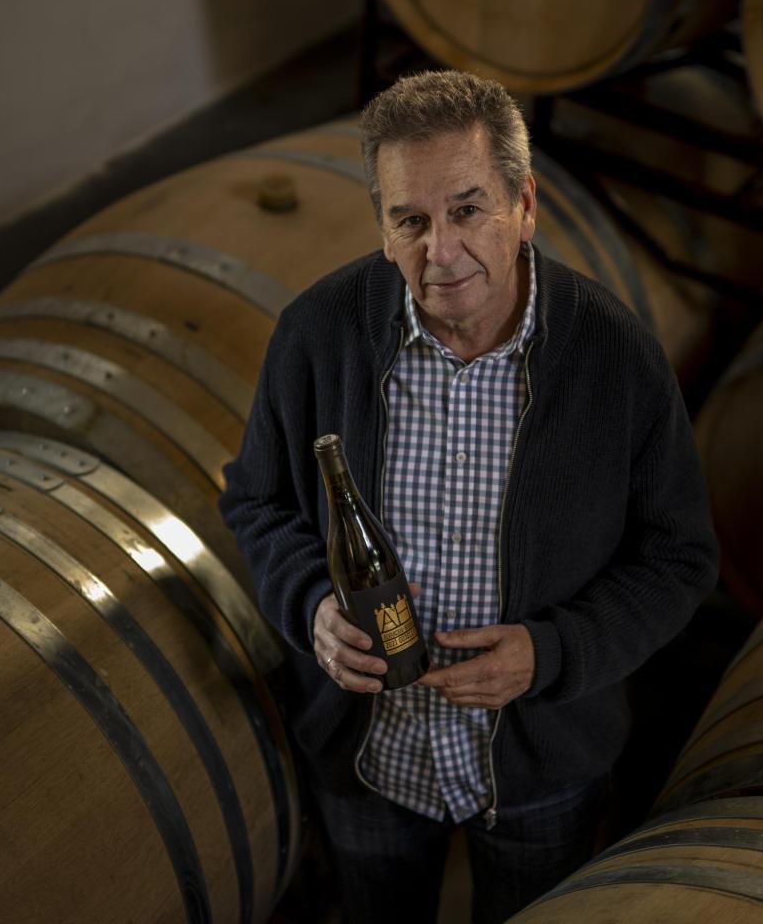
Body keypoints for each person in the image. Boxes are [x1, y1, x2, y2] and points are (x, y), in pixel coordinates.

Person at [218, 70, 717, 923]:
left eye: (468, 209)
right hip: (369, 754)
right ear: (382, 228)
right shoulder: (318, 333)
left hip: (542, 765)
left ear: (525, 206)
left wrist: (552, 652)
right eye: (409, 219)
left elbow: (678, 558)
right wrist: (310, 609)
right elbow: (257, 501)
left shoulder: (616, 360)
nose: (439, 251)